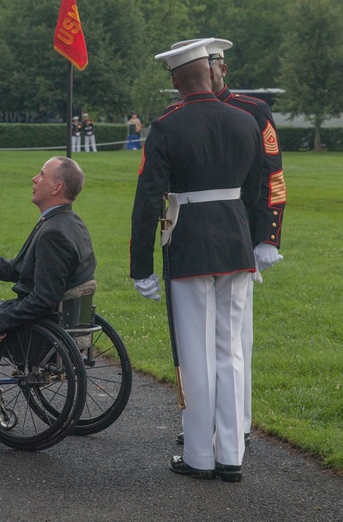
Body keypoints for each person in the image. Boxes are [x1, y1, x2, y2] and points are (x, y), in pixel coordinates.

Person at [130, 38, 262, 483]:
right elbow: (257, 192)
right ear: (210, 72)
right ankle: (231, 455)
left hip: (188, 243)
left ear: (175, 80)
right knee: (231, 351)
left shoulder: (167, 126)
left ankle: (200, 458)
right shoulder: (245, 121)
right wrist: (256, 240)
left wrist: (140, 264)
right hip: (236, 241)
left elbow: (149, 198)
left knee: (196, 353)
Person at [169, 38, 287, 447]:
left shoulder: (253, 111)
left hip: (241, 238)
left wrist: (267, 238)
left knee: (236, 341)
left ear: (223, 67)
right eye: (206, 63)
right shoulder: (178, 115)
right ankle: (203, 427)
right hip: (200, 238)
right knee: (203, 344)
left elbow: (272, 178)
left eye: (215, 62)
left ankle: (238, 425)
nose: (211, 69)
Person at [0, 156, 96, 415]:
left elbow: (44, 298)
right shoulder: (69, 222)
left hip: (36, 331)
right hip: (51, 321)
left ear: (56, 187)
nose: (34, 179)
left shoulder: (53, 233)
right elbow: (22, 271)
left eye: (42, 175)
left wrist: (1, 322)